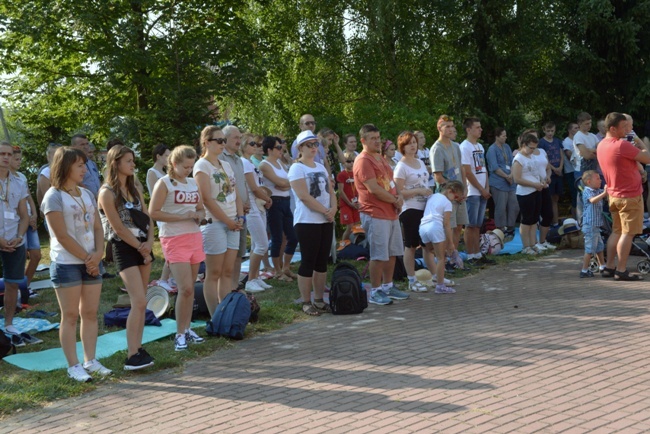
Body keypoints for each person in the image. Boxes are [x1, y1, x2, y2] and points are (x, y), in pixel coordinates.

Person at [41, 146, 110, 382]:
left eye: (84, 164)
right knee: (70, 315)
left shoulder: (87, 194)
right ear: (66, 166)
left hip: (91, 261)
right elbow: (61, 235)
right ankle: (73, 365)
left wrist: (98, 253)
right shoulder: (53, 196)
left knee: (90, 313)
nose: (85, 169)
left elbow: (98, 227)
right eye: (79, 165)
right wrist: (87, 258)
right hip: (67, 264)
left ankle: (90, 360)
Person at [98, 145, 156, 370]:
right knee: (139, 300)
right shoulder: (106, 192)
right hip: (124, 248)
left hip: (143, 245)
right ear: (116, 163)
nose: (133, 164)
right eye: (128, 161)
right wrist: (141, 247)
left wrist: (149, 244)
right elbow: (118, 228)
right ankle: (131, 354)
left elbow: (147, 218)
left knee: (141, 304)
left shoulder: (135, 188)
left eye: (133, 160)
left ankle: (138, 348)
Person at [149, 145, 206, 351]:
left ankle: (187, 328)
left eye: (191, 167)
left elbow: (199, 207)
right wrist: (183, 216)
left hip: (193, 236)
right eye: (185, 167)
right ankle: (179, 333)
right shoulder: (164, 184)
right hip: (173, 238)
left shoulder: (192, 183)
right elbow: (153, 212)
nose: (189, 170)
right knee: (185, 288)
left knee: (190, 288)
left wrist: (199, 215)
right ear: (174, 164)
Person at [353, 124, 409, 305]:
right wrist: (395, 201)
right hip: (375, 213)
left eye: (378, 137)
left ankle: (388, 286)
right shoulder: (363, 161)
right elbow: (374, 188)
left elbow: (391, 182)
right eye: (372, 138)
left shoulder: (380, 158)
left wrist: (399, 197)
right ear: (363, 141)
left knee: (392, 253)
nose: (377, 141)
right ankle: (375, 291)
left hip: (391, 212)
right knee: (379, 254)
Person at [194, 126, 244, 311]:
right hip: (214, 223)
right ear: (207, 142)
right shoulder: (201, 166)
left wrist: (239, 217)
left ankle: (225, 311)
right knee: (213, 272)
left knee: (228, 271)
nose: (223, 144)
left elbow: (235, 192)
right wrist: (228, 221)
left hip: (233, 222)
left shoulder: (226, 165)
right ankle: (215, 314)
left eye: (224, 140)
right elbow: (206, 199)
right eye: (219, 140)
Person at [288, 130, 337, 316]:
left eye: (316, 144)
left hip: (325, 219)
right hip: (307, 220)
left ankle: (319, 299)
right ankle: (306, 301)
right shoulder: (296, 168)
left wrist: (333, 209)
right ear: (300, 148)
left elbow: (331, 191)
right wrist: (325, 211)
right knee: (308, 260)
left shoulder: (320, 167)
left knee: (322, 262)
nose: (314, 148)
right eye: (309, 145)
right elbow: (303, 196)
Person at [597, 112, 650, 281]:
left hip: (614, 194)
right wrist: (640, 142)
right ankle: (621, 270)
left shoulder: (602, 145)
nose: (627, 131)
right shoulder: (621, 145)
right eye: (623, 128)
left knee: (617, 231)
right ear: (613, 128)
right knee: (628, 233)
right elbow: (647, 158)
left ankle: (609, 267)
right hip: (630, 195)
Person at [0, 142, 33, 347]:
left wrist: (20, 236)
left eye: (9, 154)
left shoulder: (19, 182)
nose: (5, 157)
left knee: (13, 283)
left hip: (14, 238)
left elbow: (23, 214)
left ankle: (9, 323)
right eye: (1, 153)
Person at [393, 131, 433, 292]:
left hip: (425, 207)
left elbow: (424, 182)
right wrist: (419, 192)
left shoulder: (420, 162)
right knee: (411, 244)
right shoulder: (401, 166)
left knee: (427, 244)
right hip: (410, 209)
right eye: (409, 143)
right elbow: (398, 192)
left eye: (414, 142)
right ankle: (411, 279)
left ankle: (435, 275)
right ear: (402, 146)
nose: (413, 146)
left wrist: (428, 192)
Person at [260, 136, 298, 281]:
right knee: (277, 238)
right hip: (274, 202)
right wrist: (286, 183)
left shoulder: (280, 163)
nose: (281, 150)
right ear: (269, 150)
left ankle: (285, 267)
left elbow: (287, 182)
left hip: (286, 201)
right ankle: (277, 270)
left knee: (292, 237)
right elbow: (279, 182)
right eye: (278, 147)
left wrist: (285, 184)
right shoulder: (265, 165)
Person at [430, 115, 469, 252]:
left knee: (459, 226)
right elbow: (438, 176)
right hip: (447, 196)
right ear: (439, 128)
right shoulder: (437, 148)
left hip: (459, 194)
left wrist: (464, 189)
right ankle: (445, 258)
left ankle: (454, 256)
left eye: (452, 126)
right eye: (447, 126)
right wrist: (453, 192)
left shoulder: (456, 146)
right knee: (449, 227)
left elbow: (462, 168)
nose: (451, 129)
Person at [419, 180, 465, 294]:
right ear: (450, 191)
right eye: (456, 196)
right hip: (435, 226)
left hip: (423, 227)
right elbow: (446, 224)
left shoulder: (433, 196)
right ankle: (440, 285)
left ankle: (437, 277)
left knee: (431, 251)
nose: (454, 199)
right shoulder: (447, 203)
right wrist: (450, 244)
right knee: (441, 258)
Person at [241, 136, 273, 292]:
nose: (256, 146)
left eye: (257, 144)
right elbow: (253, 187)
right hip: (253, 204)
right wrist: (267, 198)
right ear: (243, 145)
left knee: (256, 244)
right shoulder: (244, 162)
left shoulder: (249, 162)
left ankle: (255, 276)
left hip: (259, 203)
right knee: (262, 244)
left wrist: (265, 198)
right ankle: (250, 280)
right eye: (252, 143)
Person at [460, 117, 493, 265]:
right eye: (477, 127)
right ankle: (470, 254)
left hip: (482, 191)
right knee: (470, 225)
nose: (481, 130)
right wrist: (480, 189)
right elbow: (467, 171)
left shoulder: (480, 146)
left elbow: (483, 168)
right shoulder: (464, 147)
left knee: (478, 225)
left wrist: (486, 187)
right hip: (472, 191)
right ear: (469, 129)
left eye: (480, 127)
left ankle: (478, 253)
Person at [220, 125, 249, 290]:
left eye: (240, 137)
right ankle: (225, 288)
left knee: (239, 252)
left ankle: (235, 285)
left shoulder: (238, 159)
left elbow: (242, 183)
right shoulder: (221, 159)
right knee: (228, 253)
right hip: (228, 212)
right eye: (235, 138)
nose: (239, 141)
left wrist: (247, 203)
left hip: (242, 212)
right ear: (225, 139)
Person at [10, 146, 41, 288]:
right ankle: (18, 288)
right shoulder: (5, 179)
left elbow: (29, 198)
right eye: (16, 159)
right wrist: (25, 218)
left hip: (30, 220)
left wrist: (34, 215)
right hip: (18, 222)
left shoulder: (21, 176)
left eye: (20, 159)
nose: (19, 162)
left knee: (36, 255)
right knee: (20, 257)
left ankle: (25, 286)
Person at [146, 144, 174, 292]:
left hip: (169, 212)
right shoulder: (152, 173)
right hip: (162, 213)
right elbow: (154, 196)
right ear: (158, 156)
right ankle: (164, 278)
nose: (169, 159)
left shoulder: (165, 173)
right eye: (166, 156)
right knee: (171, 246)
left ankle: (169, 277)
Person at [512, 134, 545, 255]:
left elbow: (535, 173)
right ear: (524, 145)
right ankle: (526, 246)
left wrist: (541, 182)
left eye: (534, 148)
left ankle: (533, 244)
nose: (532, 151)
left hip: (536, 190)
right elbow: (517, 179)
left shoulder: (531, 157)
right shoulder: (518, 159)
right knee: (526, 220)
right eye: (531, 148)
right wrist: (533, 184)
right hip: (525, 193)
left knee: (534, 219)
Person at [486, 127, 518, 236]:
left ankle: (511, 227)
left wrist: (511, 175)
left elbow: (512, 162)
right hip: (498, 182)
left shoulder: (507, 147)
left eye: (505, 135)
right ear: (497, 137)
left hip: (510, 181)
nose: (506, 137)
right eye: (503, 136)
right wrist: (506, 176)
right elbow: (494, 167)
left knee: (514, 204)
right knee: (501, 207)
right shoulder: (492, 150)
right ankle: (501, 229)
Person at [579, 170, 606, 278]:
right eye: (598, 179)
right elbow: (593, 200)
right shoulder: (587, 191)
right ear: (589, 181)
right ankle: (584, 270)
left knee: (600, 247)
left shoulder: (597, 191)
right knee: (589, 249)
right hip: (589, 225)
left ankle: (602, 266)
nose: (600, 181)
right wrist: (604, 193)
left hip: (596, 226)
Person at [538, 122, 564, 227]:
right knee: (548, 198)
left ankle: (556, 221)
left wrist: (560, 167)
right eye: (548, 131)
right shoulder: (541, 142)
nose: (550, 133)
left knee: (555, 199)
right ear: (544, 130)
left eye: (552, 131)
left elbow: (561, 155)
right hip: (549, 174)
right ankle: (546, 221)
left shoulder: (557, 141)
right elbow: (543, 158)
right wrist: (554, 169)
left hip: (558, 172)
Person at [336, 151, 360, 244]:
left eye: (353, 161)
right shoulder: (342, 175)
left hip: (356, 203)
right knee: (350, 226)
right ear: (343, 162)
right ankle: (343, 245)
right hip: (346, 204)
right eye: (348, 161)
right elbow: (341, 191)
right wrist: (349, 203)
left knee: (357, 226)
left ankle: (354, 244)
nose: (351, 164)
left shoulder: (356, 173)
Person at [70, 134, 101, 198]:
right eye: (82, 144)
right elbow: (76, 183)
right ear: (73, 147)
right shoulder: (71, 163)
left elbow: (97, 180)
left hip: (98, 200)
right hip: (83, 199)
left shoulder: (92, 163)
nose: (86, 147)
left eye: (87, 144)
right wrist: (91, 196)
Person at [573, 112, 599, 180]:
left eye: (590, 123)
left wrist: (589, 150)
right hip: (581, 171)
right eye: (587, 124)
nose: (589, 125)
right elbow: (587, 156)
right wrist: (595, 152)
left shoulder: (593, 136)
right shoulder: (578, 136)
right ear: (579, 124)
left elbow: (601, 150)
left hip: (593, 170)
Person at [562, 122, 579, 218]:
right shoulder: (566, 142)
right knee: (574, 195)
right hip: (571, 171)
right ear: (569, 130)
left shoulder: (579, 139)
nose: (577, 129)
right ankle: (575, 219)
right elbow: (569, 155)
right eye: (575, 128)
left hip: (580, 170)